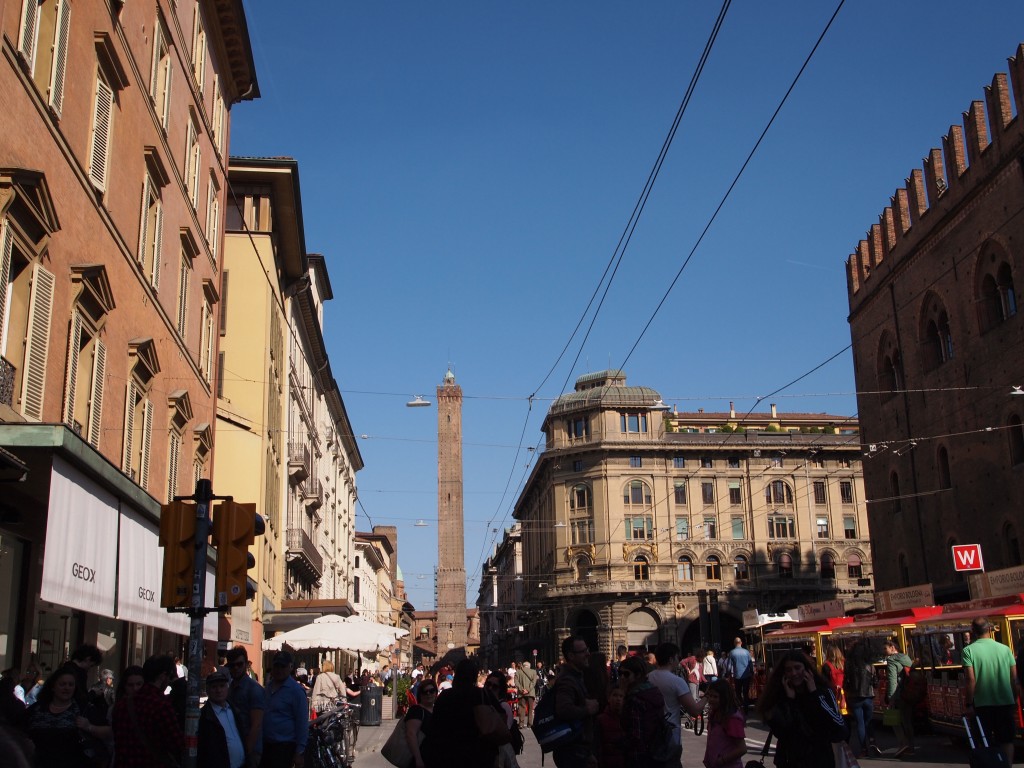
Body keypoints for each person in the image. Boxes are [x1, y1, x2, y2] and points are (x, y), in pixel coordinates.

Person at [756, 650, 846, 768]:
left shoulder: (823, 692)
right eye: (788, 670)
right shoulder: (778, 697)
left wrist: (814, 695)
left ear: (807, 669)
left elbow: (839, 728)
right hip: (791, 760)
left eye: (797, 668)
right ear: (783, 674)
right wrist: (790, 701)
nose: (794, 673)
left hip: (820, 759)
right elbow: (784, 732)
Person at [421, 658, 508, 768]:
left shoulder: (445, 696)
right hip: (480, 754)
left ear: (457, 675)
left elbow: (435, 725)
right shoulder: (483, 695)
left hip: (449, 754)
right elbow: (502, 717)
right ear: (474, 675)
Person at [26, 667, 111, 767]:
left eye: (71, 685)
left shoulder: (82, 708)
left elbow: (108, 731)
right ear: (53, 686)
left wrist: (89, 727)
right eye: (62, 684)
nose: (67, 688)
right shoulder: (37, 709)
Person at [963, 616, 1019, 767]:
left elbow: (970, 680)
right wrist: (1014, 698)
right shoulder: (1005, 649)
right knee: (1006, 740)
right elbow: (1014, 679)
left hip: (982, 705)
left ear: (973, 631)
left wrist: (968, 703)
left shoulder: (968, 651)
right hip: (1005, 703)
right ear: (989, 629)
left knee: (983, 740)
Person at [111, 655, 184, 768]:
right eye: (169, 678)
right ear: (163, 676)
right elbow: (177, 744)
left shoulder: (122, 704)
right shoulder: (162, 706)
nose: (169, 682)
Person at [648, 642, 705, 760]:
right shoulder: (677, 682)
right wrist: (707, 697)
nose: (678, 661)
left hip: (650, 731)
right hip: (670, 732)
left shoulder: (648, 677)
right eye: (676, 657)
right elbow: (694, 711)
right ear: (670, 659)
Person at [552, 635, 600, 768]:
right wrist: (588, 709)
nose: (588, 654)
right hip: (572, 750)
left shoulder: (576, 676)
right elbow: (564, 709)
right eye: (583, 651)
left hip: (578, 748)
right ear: (571, 656)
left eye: (587, 650)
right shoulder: (567, 680)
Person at [617, 655, 672, 768]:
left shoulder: (635, 699)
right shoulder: (652, 690)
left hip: (640, 757)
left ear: (638, 675)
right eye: (620, 674)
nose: (622, 677)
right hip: (656, 752)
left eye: (626, 674)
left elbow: (635, 736)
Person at [260, 651, 308, 768]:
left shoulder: (296, 691)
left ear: (290, 667)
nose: (279, 669)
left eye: (283, 666)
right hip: (266, 746)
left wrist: (299, 752)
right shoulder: (268, 687)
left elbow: (302, 723)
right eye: (277, 666)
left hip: (284, 748)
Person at [227, 646, 266, 768]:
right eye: (232, 665)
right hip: (236, 747)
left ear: (246, 665)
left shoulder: (254, 689)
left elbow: (256, 724)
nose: (236, 668)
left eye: (239, 664)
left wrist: (247, 751)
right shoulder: (230, 688)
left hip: (251, 751)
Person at [199, 670, 246, 768]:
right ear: (208, 690)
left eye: (222, 686)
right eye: (214, 687)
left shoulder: (234, 710)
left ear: (227, 688)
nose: (218, 690)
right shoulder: (204, 716)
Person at [843, 641, 878, 758]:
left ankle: (863, 748)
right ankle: (872, 740)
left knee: (860, 723)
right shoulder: (870, 665)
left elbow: (846, 682)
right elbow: (875, 682)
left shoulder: (848, 664)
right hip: (868, 695)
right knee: (869, 720)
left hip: (854, 696)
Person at [882, 637, 915, 758]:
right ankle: (911, 746)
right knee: (907, 721)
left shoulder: (891, 661)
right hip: (909, 693)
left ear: (892, 647)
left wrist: (890, 698)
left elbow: (892, 680)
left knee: (895, 720)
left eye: (885, 648)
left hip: (899, 694)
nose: (884, 651)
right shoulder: (906, 658)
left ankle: (903, 743)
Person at [702, 679, 746, 768]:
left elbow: (742, 749)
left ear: (724, 698)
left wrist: (722, 760)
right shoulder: (714, 714)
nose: (711, 699)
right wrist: (707, 759)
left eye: (715, 697)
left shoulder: (732, 718)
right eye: (709, 696)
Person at [405, 678, 437, 768]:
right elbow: (411, 734)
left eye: (431, 691)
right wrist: (418, 759)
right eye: (425, 692)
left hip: (434, 757)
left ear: (436, 692)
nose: (428, 694)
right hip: (422, 757)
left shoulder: (436, 709)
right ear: (420, 694)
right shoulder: (416, 710)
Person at [595, 687, 627, 768]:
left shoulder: (627, 718)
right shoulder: (600, 720)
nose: (618, 699)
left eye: (621, 696)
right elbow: (598, 746)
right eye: (615, 695)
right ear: (609, 698)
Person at [726, 638, 754, 711]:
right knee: (746, 692)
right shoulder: (746, 652)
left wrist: (727, 674)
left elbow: (729, 666)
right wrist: (752, 672)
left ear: (734, 643)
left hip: (737, 675)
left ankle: (740, 705)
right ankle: (746, 707)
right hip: (746, 675)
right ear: (741, 643)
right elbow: (750, 663)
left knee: (738, 692)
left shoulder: (732, 652)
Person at [515, 660, 538, 727]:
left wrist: (522, 689)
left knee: (522, 708)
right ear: (529, 666)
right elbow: (534, 682)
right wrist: (528, 690)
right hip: (530, 693)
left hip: (521, 694)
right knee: (530, 709)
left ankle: (521, 724)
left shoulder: (518, 672)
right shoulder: (533, 671)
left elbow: (516, 682)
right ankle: (530, 723)